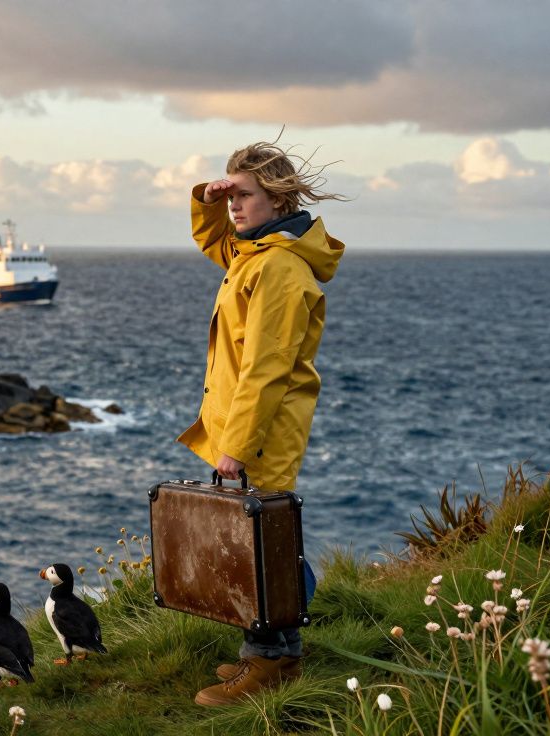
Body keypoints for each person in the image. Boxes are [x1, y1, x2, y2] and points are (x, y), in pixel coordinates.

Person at [177, 140, 346, 706]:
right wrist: (208, 198)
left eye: (245, 195)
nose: (234, 206)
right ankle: (274, 655)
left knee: (263, 550)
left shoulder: (278, 268)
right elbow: (212, 241)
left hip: (261, 432)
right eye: (231, 196)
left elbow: (267, 367)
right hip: (248, 427)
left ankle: (271, 661)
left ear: (278, 199)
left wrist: (238, 445)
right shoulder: (253, 253)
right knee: (259, 544)